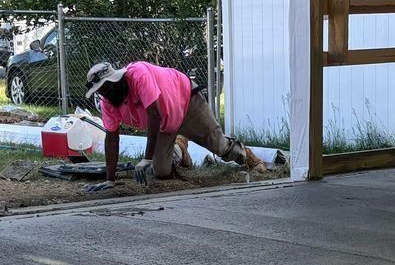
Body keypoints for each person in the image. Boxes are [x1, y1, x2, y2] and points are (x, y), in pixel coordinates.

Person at [86, 60, 265, 184]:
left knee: (220, 147)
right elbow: (111, 137)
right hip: (166, 123)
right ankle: (180, 146)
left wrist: (147, 158)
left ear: (116, 80)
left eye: (107, 86)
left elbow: (154, 115)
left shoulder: (138, 75)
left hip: (186, 102)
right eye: (101, 91)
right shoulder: (107, 103)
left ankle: (249, 157)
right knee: (161, 172)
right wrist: (110, 179)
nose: (106, 93)